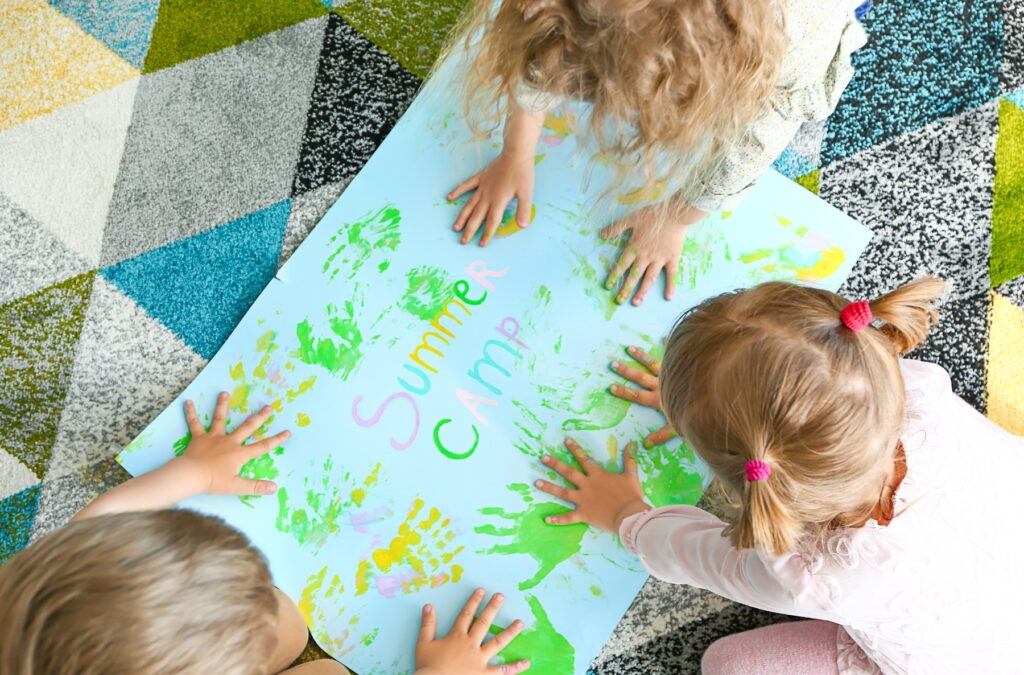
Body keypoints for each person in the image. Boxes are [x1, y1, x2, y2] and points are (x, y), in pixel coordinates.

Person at [534, 277, 1022, 673]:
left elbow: (693, 555)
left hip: (979, 661)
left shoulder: (807, 576)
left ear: (747, 476)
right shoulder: (918, 388)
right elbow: (807, 398)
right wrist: (714, 405)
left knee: (726, 663)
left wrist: (627, 516)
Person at [0, 393, 529, 675]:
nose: (266, 589)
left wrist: (196, 472)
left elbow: (106, 515)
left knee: (285, 624)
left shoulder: (53, 586)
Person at [445, 0, 874, 307]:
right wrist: (516, 154)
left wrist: (676, 219)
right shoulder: (575, 7)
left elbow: (750, 150)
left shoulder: (790, 46)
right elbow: (542, 51)